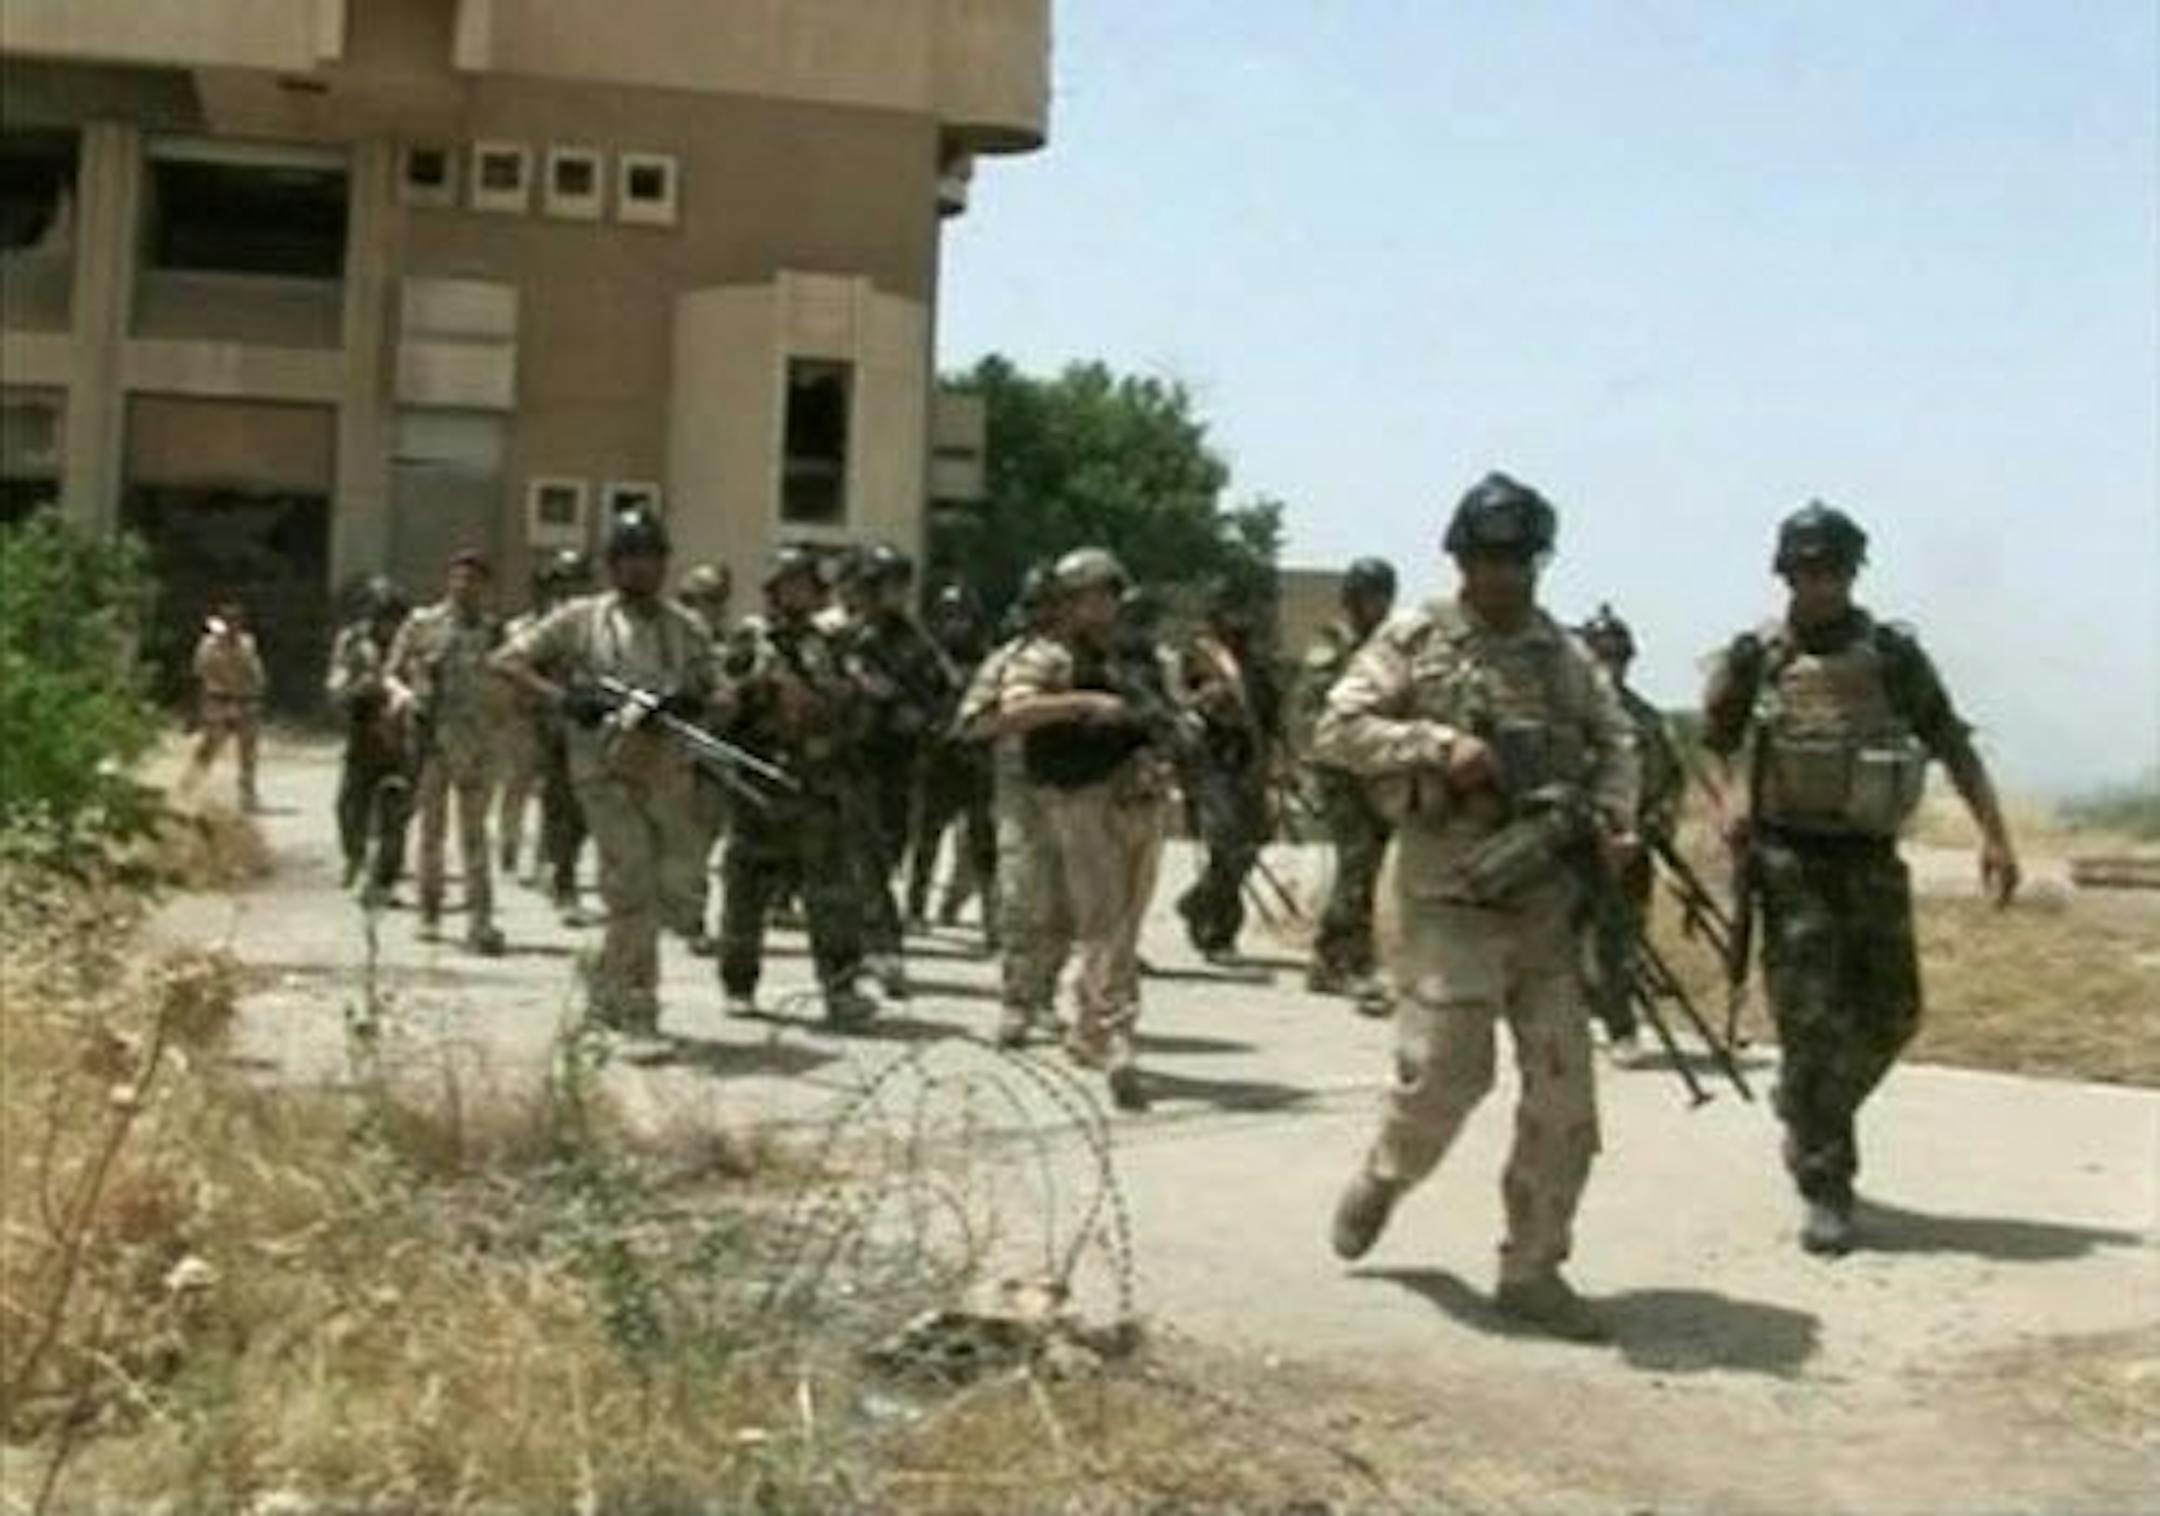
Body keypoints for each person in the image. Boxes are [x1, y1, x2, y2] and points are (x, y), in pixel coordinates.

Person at [1318, 473, 1639, 1342]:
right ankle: (1387, 1175)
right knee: (1449, 1077)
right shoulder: (1413, 639)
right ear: (1461, 559)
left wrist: (1614, 818)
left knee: (1566, 1100)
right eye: (1490, 558)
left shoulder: (1562, 656)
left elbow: (1618, 740)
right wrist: (1437, 744)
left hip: (1545, 893)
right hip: (1448, 886)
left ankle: (1533, 1269)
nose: (1505, 574)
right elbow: (1337, 729)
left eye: (1521, 559)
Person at [1700, 501, 2019, 1256]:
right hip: (1788, 857)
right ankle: (1826, 1184)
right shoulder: (1757, 657)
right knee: (1811, 1022)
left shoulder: (1893, 658)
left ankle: (1806, 1105)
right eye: (1806, 570)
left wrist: (1995, 836)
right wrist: (1730, 799)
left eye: (1833, 570)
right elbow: (1712, 743)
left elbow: (1951, 741)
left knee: (1893, 1011)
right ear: (1786, 574)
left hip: (1869, 856)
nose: (1820, 584)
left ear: (1852, 573)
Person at [494, 509, 719, 1032]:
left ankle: (605, 982)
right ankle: (639, 1005)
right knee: (632, 882)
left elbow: (718, 689)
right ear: (613, 564)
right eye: (630, 558)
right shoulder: (582, 619)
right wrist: (567, 699)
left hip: (665, 768)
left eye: (651, 557)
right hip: (603, 769)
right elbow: (507, 661)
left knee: (674, 888)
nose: (642, 568)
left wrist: (688, 700)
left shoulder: (685, 628)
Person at [1000, 549, 1180, 1110]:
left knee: (1126, 920)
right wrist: (1082, 704)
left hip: (1139, 799)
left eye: (1106, 595)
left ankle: (1088, 1027)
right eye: (1085, 597)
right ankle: (1117, 1032)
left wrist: (1166, 746)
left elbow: (1165, 715)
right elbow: (1012, 712)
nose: (1097, 607)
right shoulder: (1046, 656)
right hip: (1080, 799)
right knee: (1104, 921)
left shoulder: (1141, 656)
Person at [712, 546, 879, 1028]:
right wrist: (755, 693)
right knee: (746, 889)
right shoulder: (750, 642)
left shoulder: (829, 645)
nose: (798, 594)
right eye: (789, 585)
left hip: (817, 783)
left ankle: (840, 987)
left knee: (832, 894)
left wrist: (839, 705)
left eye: (805, 585)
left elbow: (856, 703)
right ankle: (739, 983)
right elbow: (721, 705)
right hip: (760, 781)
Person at [954, 567, 1073, 1046]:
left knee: (1066, 904)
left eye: (1054, 603)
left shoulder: (1090, 657)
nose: (1046, 614)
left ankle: (1044, 996)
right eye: (1038, 604)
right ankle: (1017, 1001)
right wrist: (1025, 715)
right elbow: (970, 723)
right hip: (1022, 793)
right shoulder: (1006, 660)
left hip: (1080, 795)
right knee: (1022, 897)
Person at [1577, 602, 1685, 1064]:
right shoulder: (1567, 715)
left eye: (1616, 655)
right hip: (1572, 845)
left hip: (1628, 849)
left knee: (1618, 941)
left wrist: (1650, 829)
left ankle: (1621, 1027)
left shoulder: (1648, 720)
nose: (1608, 665)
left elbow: (1670, 784)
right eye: (1598, 654)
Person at [844, 545, 955, 995]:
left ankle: (865, 941)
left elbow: (944, 697)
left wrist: (920, 717)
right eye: (886, 585)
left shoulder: (916, 643)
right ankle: (881, 947)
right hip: (849, 760)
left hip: (898, 761)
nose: (894, 595)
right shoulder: (845, 637)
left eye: (899, 586)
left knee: (887, 852)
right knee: (864, 856)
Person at [387, 552, 506, 954]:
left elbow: (510, 681)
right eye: (458, 578)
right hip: (432, 740)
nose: (464, 587)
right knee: (431, 832)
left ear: (485, 587)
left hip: (477, 745)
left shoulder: (494, 632)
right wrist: (405, 697)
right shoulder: (423, 624)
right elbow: (392, 672)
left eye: (473, 580)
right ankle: (429, 911)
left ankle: (480, 919)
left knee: (475, 835)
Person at [1299, 557, 1400, 1013]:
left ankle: (1343, 955)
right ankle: (1339, 958)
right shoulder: (1333, 643)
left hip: (1377, 769)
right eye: (1370, 596)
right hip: (1340, 770)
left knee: (1373, 863)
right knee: (1357, 862)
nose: (1377, 605)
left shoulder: (1390, 643)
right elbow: (1312, 705)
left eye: (1383, 596)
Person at [1174, 582, 1274, 963]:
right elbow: (1189, 703)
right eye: (1235, 609)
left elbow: (1267, 710)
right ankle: (1217, 933)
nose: (1244, 617)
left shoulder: (1253, 658)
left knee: (1252, 842)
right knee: (1227, 846)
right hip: (1213, 763)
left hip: (1250, 761)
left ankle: (1198, 901)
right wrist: (1214, 697)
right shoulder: (1202, 653)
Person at [906, 582, 999, 944]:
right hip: (938, 757)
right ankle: (915, 909)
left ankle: (993, 918)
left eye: (961, 617)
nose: (955, 624)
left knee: (983, 841)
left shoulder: (989, 661)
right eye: (948, 616)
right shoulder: (927, 658)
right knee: (926, 839)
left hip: (976, 756)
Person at [497, 550, 589, 886]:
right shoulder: (522, 627)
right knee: (518, 784)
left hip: (562, 718)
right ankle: (509, 847)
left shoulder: (581, 626)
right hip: (525, 716)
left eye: (573, 582)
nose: (566, 590)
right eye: (560, 583)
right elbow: (507, 667)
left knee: (558, 793)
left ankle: (546, 859)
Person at [325, 576, 413, 899]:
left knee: (395, 811)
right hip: (363, 728)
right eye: (381, 615)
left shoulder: (411, 641)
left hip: (401, 734)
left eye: (393, 616)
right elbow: (336, 681)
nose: (387, 624)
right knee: (349, 805)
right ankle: (356, 858)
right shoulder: (353, 642)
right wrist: (354, 689)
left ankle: (384, 880)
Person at [675, 561, 736, 954]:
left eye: (716, 600)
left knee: (704, 838)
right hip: (675, 753)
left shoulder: (729, 647)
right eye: (700, 600)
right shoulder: (671, 645)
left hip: (714, 753)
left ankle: (690, 912)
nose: (711, 608)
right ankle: (687, 913)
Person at [183, 599, 267, 811]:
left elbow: (256, 675)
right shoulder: (208, 645)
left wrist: (254, 698)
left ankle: (247, 794)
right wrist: (195, 710)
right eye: (229, 621)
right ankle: (189, 787)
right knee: (209, 747)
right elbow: (198, 676)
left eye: (236, 621)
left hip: (244, 699)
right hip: (218, 699)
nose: (232, 625)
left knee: (248, 752)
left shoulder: (247, 645)